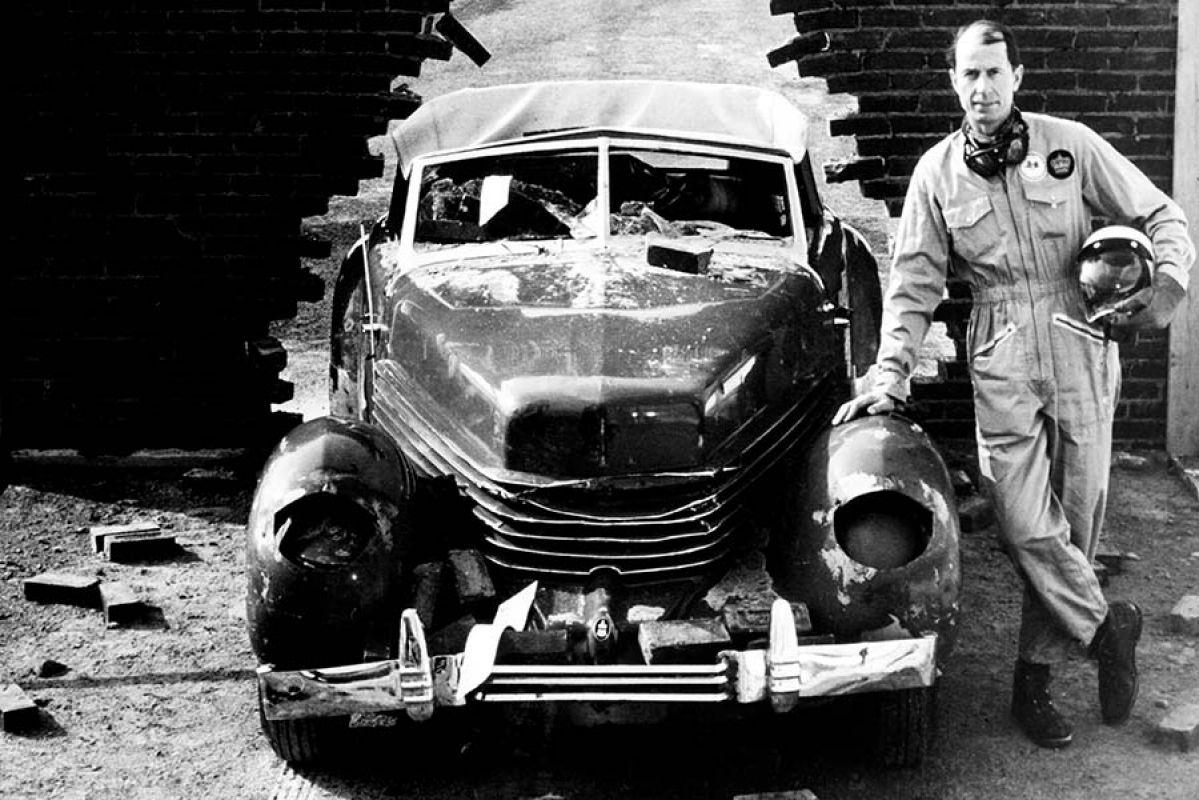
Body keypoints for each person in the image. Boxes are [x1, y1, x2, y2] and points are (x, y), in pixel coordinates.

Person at [833, 19, 1194, 749]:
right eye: (969, 74)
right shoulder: (937, 174)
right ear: (952, 82)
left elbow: (1160, 211)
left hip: (1081, 340)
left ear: (1018, 78)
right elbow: (911, 287)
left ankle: (1034, 683)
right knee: (1024, 521)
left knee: (1074, 522)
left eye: (994, 73)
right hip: (999, 348)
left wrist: (1163, 289)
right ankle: (1105, 628)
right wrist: (888, 375)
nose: (982, 87)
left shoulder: (1069, 145)